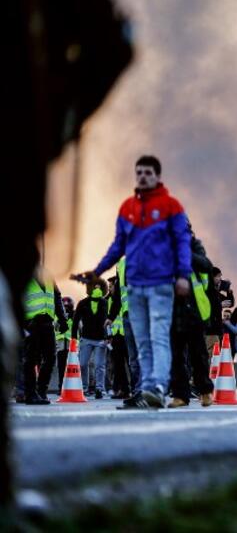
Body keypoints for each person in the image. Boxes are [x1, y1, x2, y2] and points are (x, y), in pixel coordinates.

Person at [76, 155, 192, 409]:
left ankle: (158, 386)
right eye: (139, 171)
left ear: (158, 177)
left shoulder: (171, 206)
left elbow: (182, 241)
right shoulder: (127, 207)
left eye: (148, 172)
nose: (142, 176)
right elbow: (118, 246)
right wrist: (97, 272)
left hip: (161, 283)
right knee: (141, 343)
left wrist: (183, 275)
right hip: (135, 287)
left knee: (158, 336)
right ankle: (147, 390)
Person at [167, 231, 215, 408]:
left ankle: (204, 392)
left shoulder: (193, 244)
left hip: (194, 308)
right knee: (176, 356)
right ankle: (180, 395)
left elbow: (206, 265)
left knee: (198, 354)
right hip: (171, 308)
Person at [21, 272, 69, 404]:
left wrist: (63, 319)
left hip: (47, 323)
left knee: (50, 357)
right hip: (31, 323)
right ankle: (30, 394)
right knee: (31, 359)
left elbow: (57, 297)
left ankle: (41, 391)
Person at [107, 257, 141, 399]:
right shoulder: (120, 264)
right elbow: (119, 295)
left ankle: (145, 391)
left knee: (142, 356)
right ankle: (137, 392)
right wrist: (111, 316)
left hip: (142, 313)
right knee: (133, 359)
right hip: (128, 316)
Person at [73, 283, 109, 399]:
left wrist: (108, 336)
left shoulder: (105, 302)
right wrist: (74, 337)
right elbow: (75, 320)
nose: (97, 289)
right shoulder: (83, 303)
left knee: (100, 365)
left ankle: (99, 389)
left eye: (99, 287)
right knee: (82, 364)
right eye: (95, 287)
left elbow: (109, 320)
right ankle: (84, 388)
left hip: (101, 339)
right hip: (86, 338)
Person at [106, 277, 130, 399]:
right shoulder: (108, 300)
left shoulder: (125, 296)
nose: (110, 289)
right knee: (118, 365)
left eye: (112, 286)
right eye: (109, 287)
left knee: (131, 363)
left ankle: (135, 389)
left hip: (127, 334)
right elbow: (107, 320)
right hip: (115, 336)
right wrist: (108, 336)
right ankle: (124, 390)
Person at [56, 296, 75, 391]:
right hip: (60, 345)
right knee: (61, 367)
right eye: (64, 306)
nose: (66, 307)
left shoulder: (75, 315)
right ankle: (61, 387)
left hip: (71, 346)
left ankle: (71, 387)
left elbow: (80, 328)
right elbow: (54, 327)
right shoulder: (57, 316)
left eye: (68, 305)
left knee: (71, 368)